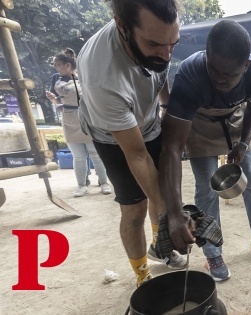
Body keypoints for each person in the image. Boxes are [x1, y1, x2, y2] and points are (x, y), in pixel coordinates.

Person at [160, 20, 251, 282]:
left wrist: (243, 144)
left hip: (236, 122)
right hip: (199, 125)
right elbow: (171, 145)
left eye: (229, 75)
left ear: (245, 66)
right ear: (207, 55)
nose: (219, 79)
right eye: (214, 70)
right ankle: (212, 253)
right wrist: (174, 211)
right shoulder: (190, 73)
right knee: (206, 188)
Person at [77, 0, 187, 286]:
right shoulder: (101, 77)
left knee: (161, 191)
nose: (165, 55)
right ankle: (142, 275)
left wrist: (168, 107)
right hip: (113, 136)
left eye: (173, 44)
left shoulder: (159, 35)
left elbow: (160, 70)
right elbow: (137, 156)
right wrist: (172, 214)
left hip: (149, 121)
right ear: (122, 26)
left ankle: (160, 247)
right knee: (136, 206)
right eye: (154, 45)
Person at [45, 48, 111, 197]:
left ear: (68, 65)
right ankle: (81, 185)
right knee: (78, 155)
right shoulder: (56, 78)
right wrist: (53, 99)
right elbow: (59, 100)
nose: (56, 68)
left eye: (58, 65)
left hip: (87, 116)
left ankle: (104, 182)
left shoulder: (83, 76)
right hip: (69, 117)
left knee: (95, 153)